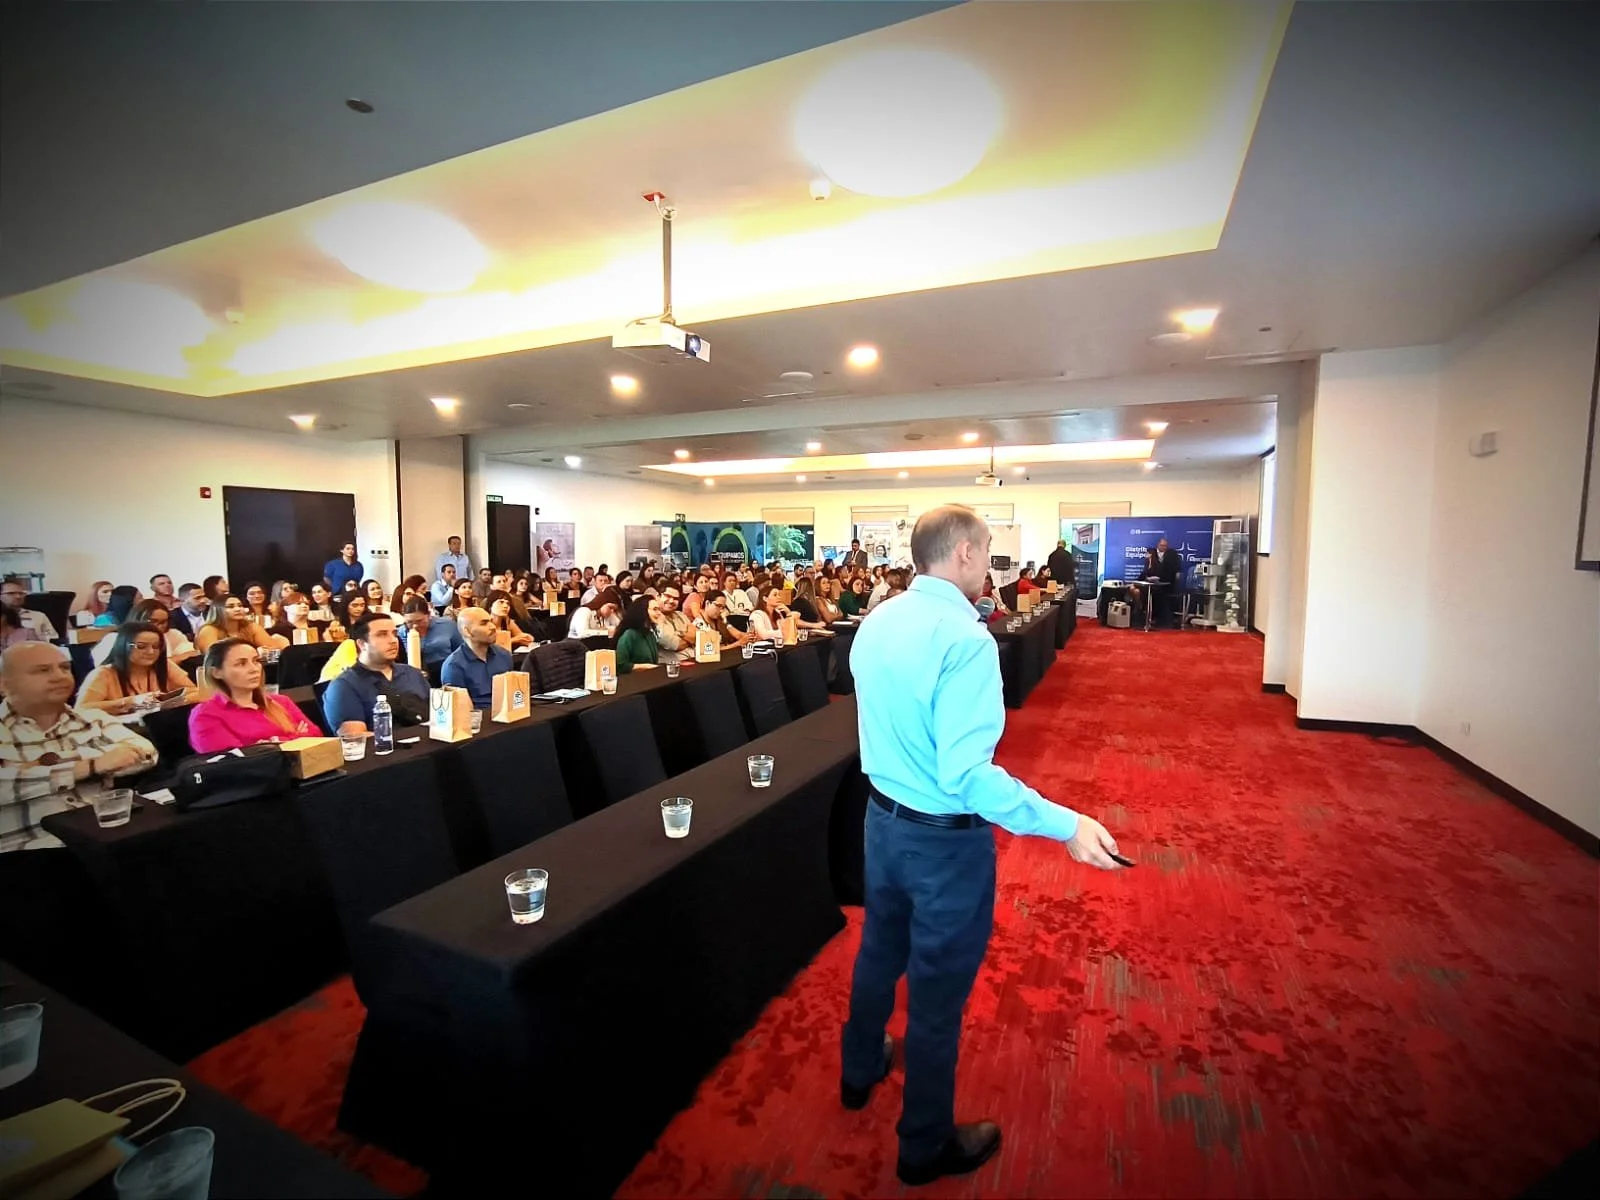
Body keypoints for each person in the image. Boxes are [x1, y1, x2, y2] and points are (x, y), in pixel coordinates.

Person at [841, 506, 1124, 1186]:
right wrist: (1066, 824)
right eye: (989, 550)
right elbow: (967, 778)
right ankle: (923, 1146)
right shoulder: (964, 640)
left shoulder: (876, 620)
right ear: (964, 553)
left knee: (880, 948)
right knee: (937, 998)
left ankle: (857, 1071)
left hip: (880, 824)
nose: (992, 562)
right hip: (942, 847)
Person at [1, 641, 159, 852]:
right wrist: (91, 767)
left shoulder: (93, 719)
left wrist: (33, 768)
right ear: (4, 684)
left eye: (65, 668)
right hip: (28, 851)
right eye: (42, 670)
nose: (59, 676)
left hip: (106, 838)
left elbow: (145, 753)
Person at [188, 639, 319, 752]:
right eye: (241, 663)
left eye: (256, 661)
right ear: (216, 673)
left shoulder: (281, 701)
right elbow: (236, 761)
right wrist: (297, 738)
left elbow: (317, 737)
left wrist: (272, 742)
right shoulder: (205, 715)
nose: (254, 669)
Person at [322, 614, 431, 732]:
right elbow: (356, 738)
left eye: (394, 634)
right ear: (362, 644)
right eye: (382, 635)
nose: (393, 640)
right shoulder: (344, 686)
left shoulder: (412, 673)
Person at [76, 622, 201, 714]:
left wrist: (167, 701)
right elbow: (81, 709)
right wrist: (131, 702)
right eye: (141, 646)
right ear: (123, 646)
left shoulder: (165, 665)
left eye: (156, 646)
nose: (151, 651)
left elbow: (194, 692)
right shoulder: (103, 673)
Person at [440, 607, 512, 710]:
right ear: (467, 632)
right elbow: (459, 709)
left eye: (491, 621)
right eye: (484, 623)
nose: (492, 627)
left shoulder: (504, 655)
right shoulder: (454, 666)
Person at [93, 599, 195, 666]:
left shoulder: (172, 634)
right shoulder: (114, 638)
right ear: (138, 618)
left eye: (163, 622)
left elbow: (193, 653)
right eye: (152, 621)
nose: (159, 626)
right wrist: (176, 659)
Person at [193, 594, 287, 655]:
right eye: (230, 607)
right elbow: (213, 657)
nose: (238, 609)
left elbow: (273, 649)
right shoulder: (209, 629)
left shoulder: (250, 626)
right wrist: (254, 653)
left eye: (240, 605)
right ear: (217, 610)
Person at [397, 597, 463, 673]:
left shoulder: (447, 625)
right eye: (410, 622)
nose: (415, 625)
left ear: (428, 615)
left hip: (446, 669)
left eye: (419, 621)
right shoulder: (401, 632)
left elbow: (460, 651)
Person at [614, 597, 660, 673]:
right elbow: (621, 666)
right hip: (633, 681)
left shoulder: (650, 634)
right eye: (655, 609)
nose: (659, 613)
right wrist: (646, 667)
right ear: (643, 611)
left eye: (659, 609)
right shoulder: (629, 635)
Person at [653, 585, 693, 662]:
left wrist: (679, 634)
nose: (671, 601)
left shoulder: (681, 614)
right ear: (658, 596)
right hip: (668, 666)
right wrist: (689, 639)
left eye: (675, 599)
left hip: (692, 659)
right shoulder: (654, 618)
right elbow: (673, 645)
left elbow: (695, 635)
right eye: (668, 596)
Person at [1151, 537, 1183, 627]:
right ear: (1158, 545)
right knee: (1153, 593)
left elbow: (1177, 567)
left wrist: (1177, 573)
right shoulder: (1151, 553)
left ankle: (1166, 618)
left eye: (1165, 546)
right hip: (1153, 582)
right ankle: (1152, 616)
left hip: (1168, 583)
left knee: (1163, 594)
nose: (1164, 547)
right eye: (1162, 545)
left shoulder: (1171, 554)